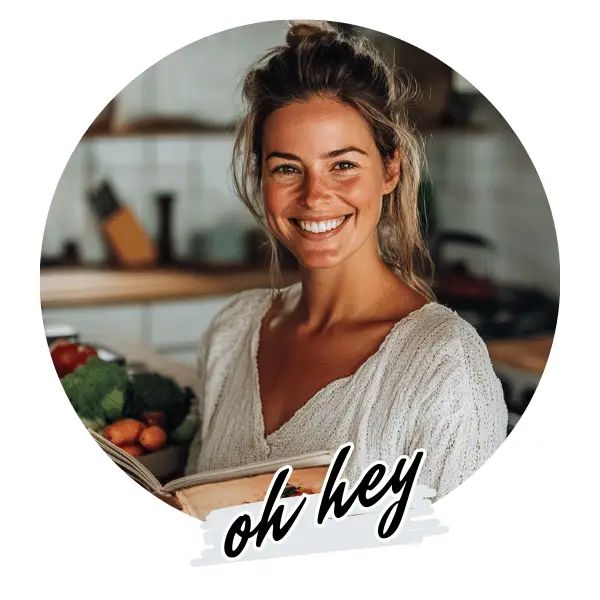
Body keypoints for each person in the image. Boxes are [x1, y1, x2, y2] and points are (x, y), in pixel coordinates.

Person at [185, 22, 507, 499]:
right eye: (288, 168)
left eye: (343, 165)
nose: (315, 197)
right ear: (261, 177)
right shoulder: (232, 333)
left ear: (390, 169)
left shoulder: (445, 364)